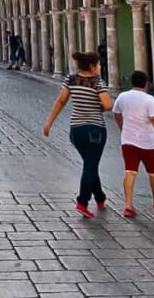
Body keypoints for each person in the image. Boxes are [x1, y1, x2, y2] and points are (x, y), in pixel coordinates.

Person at [43, 51, 114, 218]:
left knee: (90, 164)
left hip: (76, 130)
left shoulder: (71, 79)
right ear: (92, 66)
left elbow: (61, 100)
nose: (100, 67)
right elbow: (108, 104)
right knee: (90, 166)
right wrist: (100, 107)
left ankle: (100, 197)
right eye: (98, 64)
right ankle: (82, 201)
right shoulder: (98, 82)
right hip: (95, 130)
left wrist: (49, 123)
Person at [113, 70, 154, 218]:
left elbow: (116, 113)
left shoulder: (122, 97)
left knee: (130, 172)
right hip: (149, 142)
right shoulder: (149, 100)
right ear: (146, 83)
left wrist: (122, 127)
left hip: (128, 140)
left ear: (132, 82)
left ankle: (128, 205)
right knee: (153, 172)